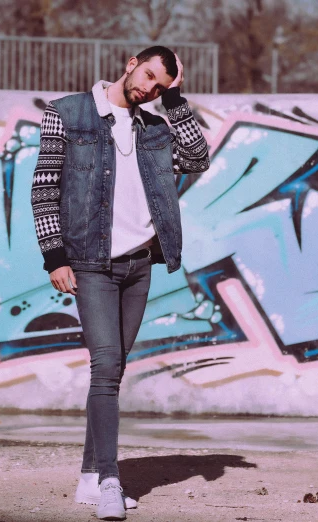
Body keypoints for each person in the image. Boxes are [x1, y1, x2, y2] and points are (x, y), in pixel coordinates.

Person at [31, 45, 210, 520]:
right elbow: (44, 187)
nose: (147, 88)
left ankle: (89, 478)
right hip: (89, 263)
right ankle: (111, 481)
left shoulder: (154, 129)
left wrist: (175, 101)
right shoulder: (67, 113)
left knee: (114, 370)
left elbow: (198, 157)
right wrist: (55, 256)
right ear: (131, 62)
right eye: (147, 75)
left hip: (139, 265)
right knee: (106, 367)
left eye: (159, 84)